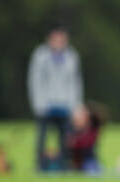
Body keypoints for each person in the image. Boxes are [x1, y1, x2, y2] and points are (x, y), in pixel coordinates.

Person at [27, 26, 84, 171]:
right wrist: (38, 104)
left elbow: (75, 82)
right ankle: (40, 164)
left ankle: (64, 165)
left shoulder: (71, 56)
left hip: (65, 103)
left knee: (65, 138)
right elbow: (35, 80)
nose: (59, 43)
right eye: (56, 40)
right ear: (49, 40)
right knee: (42, 137)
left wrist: (75, 105)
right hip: (46, 104)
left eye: (62, 40)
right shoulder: (40, 55)